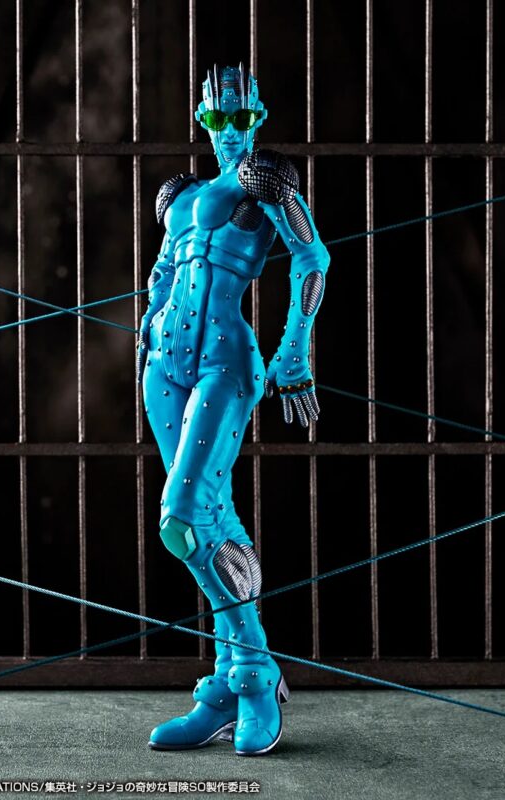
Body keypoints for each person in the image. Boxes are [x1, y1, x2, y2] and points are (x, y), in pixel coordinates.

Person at [136, 63, 330, 756]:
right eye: (219, 118)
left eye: (242, 117)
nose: (231, 130)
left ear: (260, 117)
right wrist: (147, 332)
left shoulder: (263, 181)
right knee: (209, 518)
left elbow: (312, 259)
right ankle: (225, 687)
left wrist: (294, 350)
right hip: (165, 367)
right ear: (202, 119)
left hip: (225, 360)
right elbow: (163, 273)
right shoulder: (179, 195)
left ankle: (255, 675)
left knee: (183, 519)